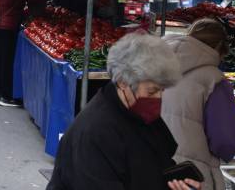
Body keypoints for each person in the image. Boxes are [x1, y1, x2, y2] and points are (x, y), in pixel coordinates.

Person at [48, 33, 202, 190]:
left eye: (161, 90)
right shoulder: (94, 132)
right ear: (123, 82)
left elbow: (161, 165)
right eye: (151, 92)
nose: (158, 98)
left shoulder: (141, 114)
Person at [162, 19, 235, 190]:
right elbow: (226, 140)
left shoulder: (156, 67)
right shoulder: (213, 80)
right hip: (193, 174)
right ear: (220, 48)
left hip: (154, 164)